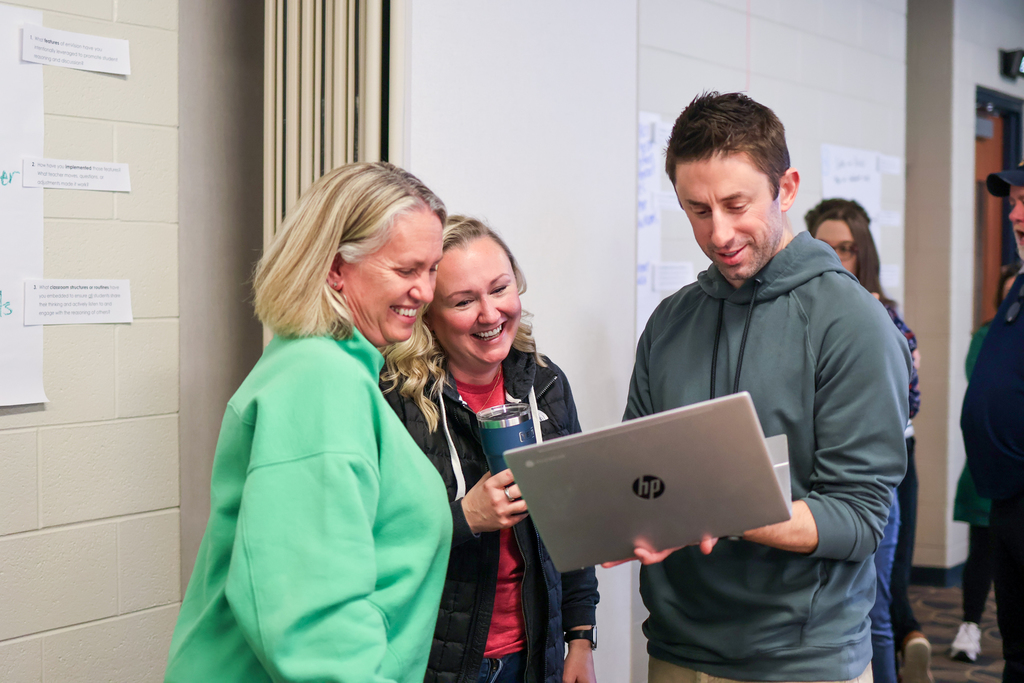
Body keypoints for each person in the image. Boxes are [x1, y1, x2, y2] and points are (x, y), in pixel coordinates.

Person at [620, 92, 911, 683]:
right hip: (676, 649)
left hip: (801, 659)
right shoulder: (671, 322)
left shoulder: (851, 323)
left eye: (736, 204)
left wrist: (716, 509)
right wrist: (621, 511)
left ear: (787, 188)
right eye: (698, 210)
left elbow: (857, 520)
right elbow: (641, 469)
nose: (719, 233)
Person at [164, 162, 453, 683]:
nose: (425, 291)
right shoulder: (320, 380)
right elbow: (316, 623)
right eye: (407, 270)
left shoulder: (334, 367)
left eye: (432, 269)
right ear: (336, 269)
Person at [381, 216, 599, 683]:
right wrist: (464, 518)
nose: (489, 314)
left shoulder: (545, 383)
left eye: (500, 289)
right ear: (429, 315)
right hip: (437, 663)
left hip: (533, 657)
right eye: (463, 301)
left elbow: (574, 522)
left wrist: (580, 640)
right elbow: (373, 545)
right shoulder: (395, 400)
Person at [805, 198, 922, 683]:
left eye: (847, 249)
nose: (836, 257)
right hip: (811, 480)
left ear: (863, 254)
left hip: (874, 478)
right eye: (825, 247)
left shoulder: (884, 320)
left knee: (875, 605)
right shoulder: (798, 312)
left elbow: (908, 403)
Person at [961, 162, 1024, 683]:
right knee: (1017, 645)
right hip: (1006, 501)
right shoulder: (1020, 284)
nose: (1016, 214)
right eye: (1014, 201)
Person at [950, 264, 1020, 663]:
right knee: (983, 552)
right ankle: (969, 626)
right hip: (989, 468)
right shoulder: (986, 337)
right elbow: (985, 386)